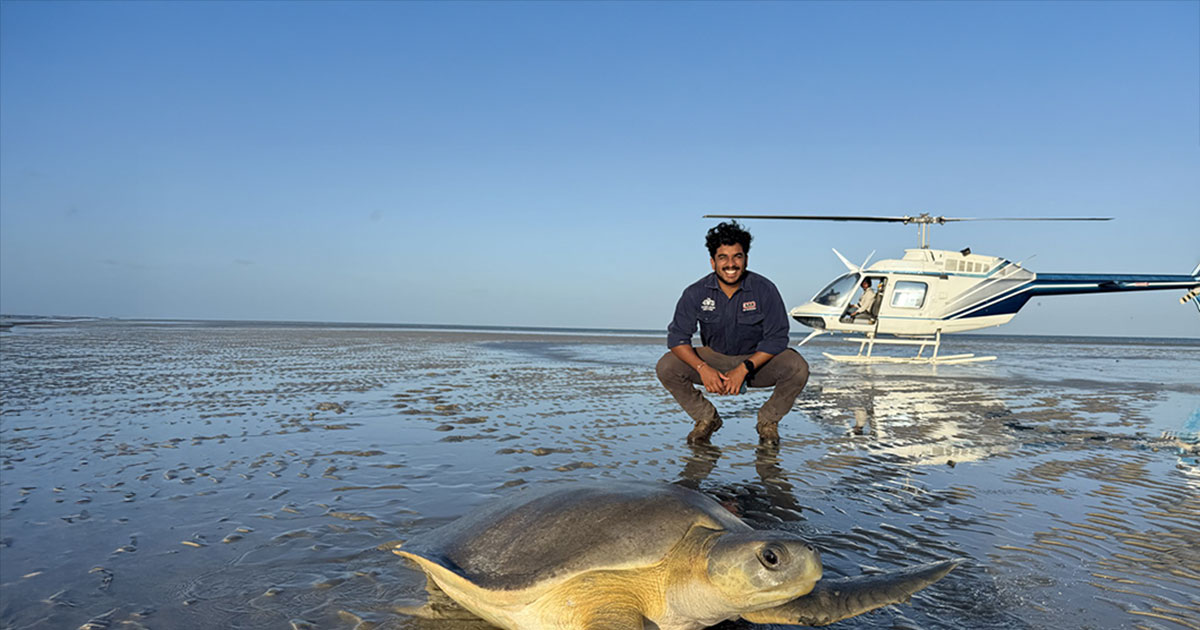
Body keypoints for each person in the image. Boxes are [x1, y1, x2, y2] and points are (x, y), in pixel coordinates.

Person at [656, 221, 810, 446]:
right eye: (723, 257)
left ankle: (768, 422)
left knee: (797, 367)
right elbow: (677, 339)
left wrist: (743, 369)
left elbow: (777, 338)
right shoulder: (695, 292)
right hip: (715, 359)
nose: (731, 264)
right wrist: (703, 368)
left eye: (737, 256)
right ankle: (706, 418)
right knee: (667, 366)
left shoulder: (765, 289)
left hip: (757, 361)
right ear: (712, 262)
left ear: (746, 259)